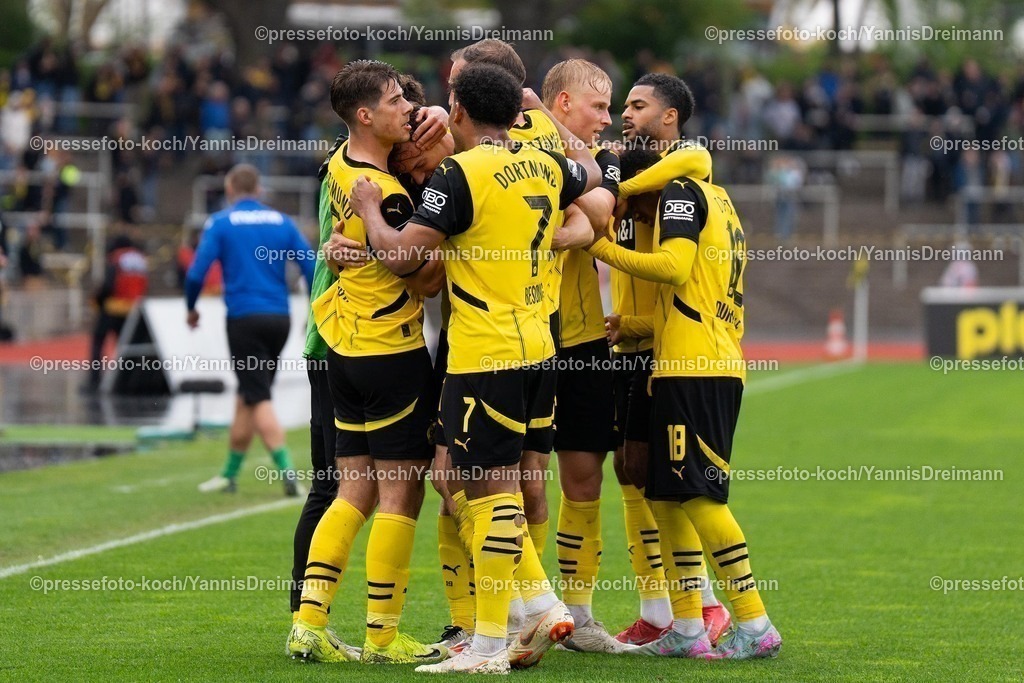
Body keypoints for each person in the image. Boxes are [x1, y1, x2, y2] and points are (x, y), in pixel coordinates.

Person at [349, 61, 598, 674]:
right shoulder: (544, 163)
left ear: (457, 109)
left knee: (486, 494)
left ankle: (492, 641)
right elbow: (591, 172)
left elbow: (407, 257)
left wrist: (372, 211)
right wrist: (543, 115)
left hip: (485, 352)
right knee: (501, 489)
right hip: (542, 348)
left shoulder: (460, 174)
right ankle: (527, 612)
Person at [590, 75, 782, 660]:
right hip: (687, 360)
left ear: (670, 121)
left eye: (637, 107)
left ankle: (754, 623)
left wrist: (594, 245)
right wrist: (634, 326)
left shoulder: (683, 192)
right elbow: (691, 296)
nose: (626, 116)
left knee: (700, 499)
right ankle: (688, 625)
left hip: (696, 369)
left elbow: (673, 269)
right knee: (666, 497)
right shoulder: (716, 198)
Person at [287, 60, 446, 665]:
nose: (405, 106)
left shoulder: (338, 165)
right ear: (364, 115)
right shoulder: (392, 196)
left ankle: (308, 625)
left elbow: (355, 242)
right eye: (392, 100)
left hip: (341, 349)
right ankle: (383, 635)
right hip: (391, 353)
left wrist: (354, 245)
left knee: (350, 490)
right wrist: (437, 252)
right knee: (401, 494)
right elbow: (423, 277)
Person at [186, 163, 312, 497]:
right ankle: (229, 475)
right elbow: (310, 264)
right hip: (279, 319)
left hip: (244, 319)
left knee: (257, 397)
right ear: (258, 190)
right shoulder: (282, 222)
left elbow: (197, 273)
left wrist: (191, 308)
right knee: (248, 394)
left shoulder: (221, 223)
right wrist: (314, 307)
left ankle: (288, 474)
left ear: (230, 190)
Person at [82, 234, 148, 392]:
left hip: (113, 308)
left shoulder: (117, 259)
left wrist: (97, 300)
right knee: (125, 346)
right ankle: (127, 380)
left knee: (98, 342)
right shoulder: (141, 261)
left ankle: (94, 380)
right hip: (133, 310)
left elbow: (108, 285)